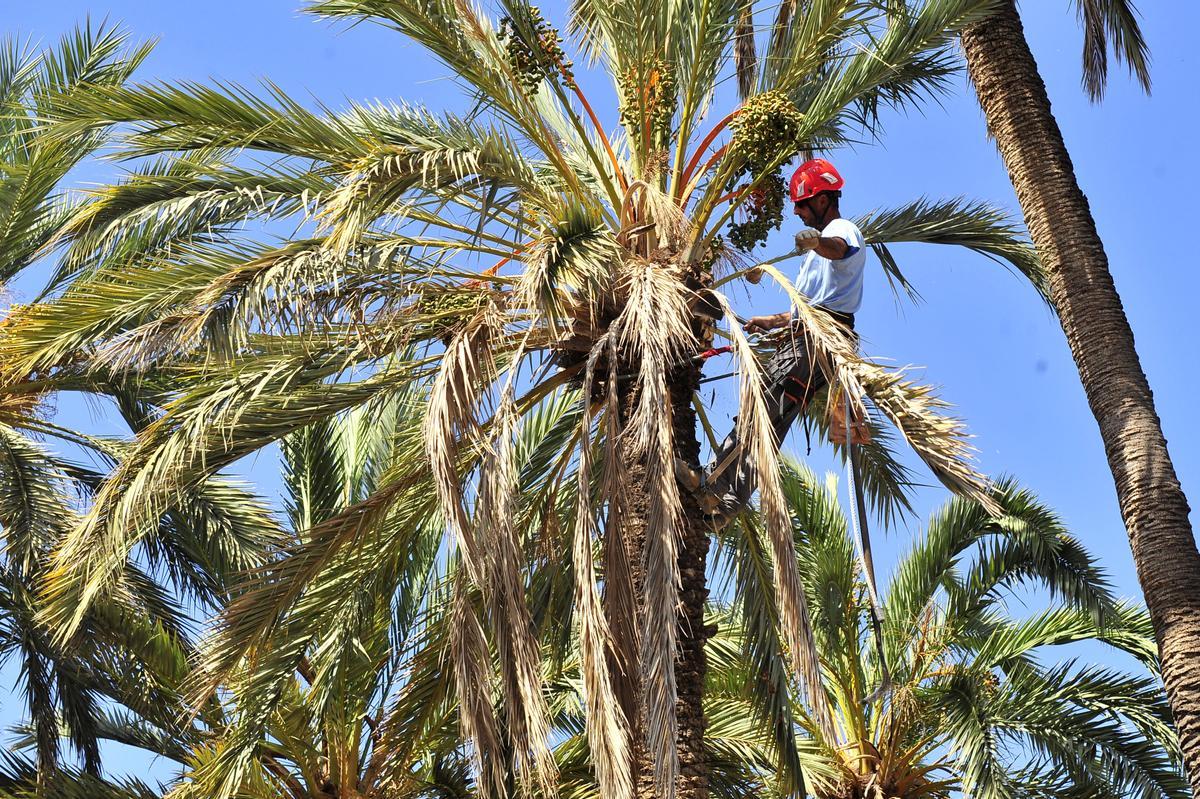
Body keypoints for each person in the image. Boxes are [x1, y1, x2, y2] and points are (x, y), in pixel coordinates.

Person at [694, 158, 867, 523]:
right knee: (770, 425)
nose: (799, 215)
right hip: (810, 341)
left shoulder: (842, 230)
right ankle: (727, 505)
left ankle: (711, 481)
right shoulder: (815, 257)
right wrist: (768, 321)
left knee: (758, 410)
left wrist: (818, 241)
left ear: (822, 200)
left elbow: (840, 248)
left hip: (812, 345)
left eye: (802, 206)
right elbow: (807, 309)